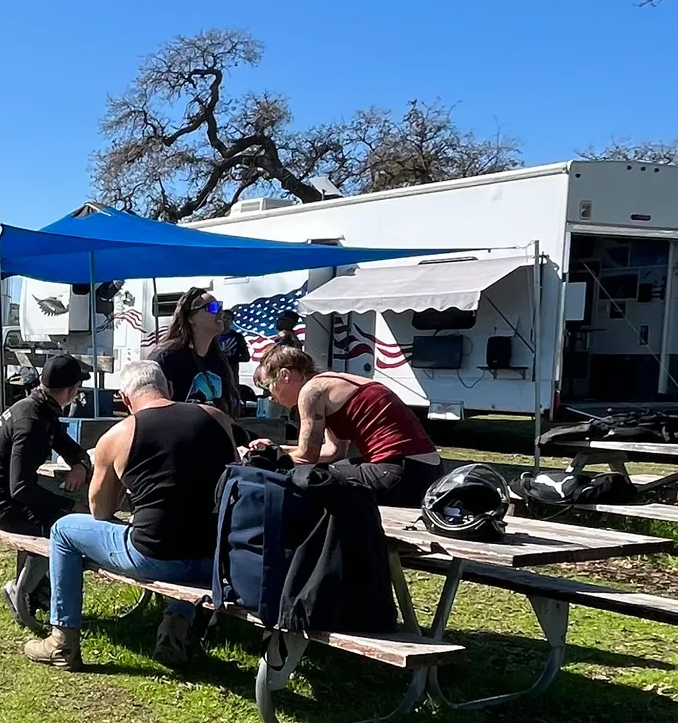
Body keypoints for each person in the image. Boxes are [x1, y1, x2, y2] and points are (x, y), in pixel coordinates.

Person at [25, 362, 236, 670]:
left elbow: (101, 511)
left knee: (63, 531)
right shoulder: (216, 418)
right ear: (170, 390)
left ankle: (62, 639)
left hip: (153, 555)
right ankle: (176, 627)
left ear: (125, 399)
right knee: (191, 529)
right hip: (213, 557)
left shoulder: (119, 435)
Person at [0, 353, 92, 626]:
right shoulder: (30, 422)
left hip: (13, 501)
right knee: (70, 530)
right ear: (70, 390)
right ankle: (21, 590)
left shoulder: (41, 410)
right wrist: (69, 507)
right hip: (7, 508)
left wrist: (81, 465)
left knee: (70, 521)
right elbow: (20, 488)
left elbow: (71, 448)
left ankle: (37, 590)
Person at [259, 343, 442, 506]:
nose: (270, 397)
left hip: (399, 473)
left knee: (308, 479)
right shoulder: (330, 384)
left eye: (268, 386)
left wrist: (264, 458)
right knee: (322, 473)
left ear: (284, 375)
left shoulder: (311, 391)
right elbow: (333, 452)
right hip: (426, 472)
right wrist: (276, 448)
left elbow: (307, 458)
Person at [153, 286, 245, 416]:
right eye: (212, 307)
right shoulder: (167, 357)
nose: (220, 312)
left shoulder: (218, 360)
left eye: (220, 306)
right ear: (190, 318)